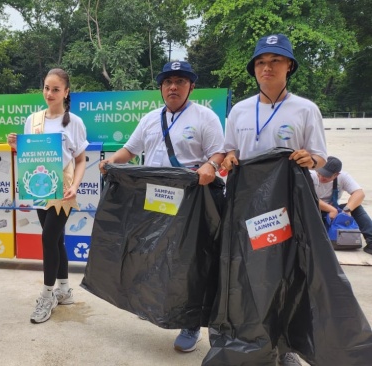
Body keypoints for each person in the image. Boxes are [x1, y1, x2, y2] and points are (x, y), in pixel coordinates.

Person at [99, 61, 225, 353]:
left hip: (191, 204)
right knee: (155, 257)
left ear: (191, 86)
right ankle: (158, 307)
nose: (173, 87)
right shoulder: (150, 119)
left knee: (187, 263)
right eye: (168, 82)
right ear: (160, 87)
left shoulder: (205, 117)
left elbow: (219, 152)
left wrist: (210, 165)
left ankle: (190, 323)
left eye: (180, 81)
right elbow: (130, 150)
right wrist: (111, 162)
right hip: (155, 203)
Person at [220, 34, 328, 366]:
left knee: (288, 275)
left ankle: (286, 348)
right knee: (251, 277)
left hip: (288, 209)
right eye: (261, 62)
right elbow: (228, 153)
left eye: (275, 61)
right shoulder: (239, 110)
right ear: (254, 69)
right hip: (248, 209)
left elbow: (321, 158)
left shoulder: (305, 109)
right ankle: (255, 341)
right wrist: (229, 160)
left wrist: (309, 159)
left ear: (289, 66)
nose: (267, 67)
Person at [7, 68, 89, 324]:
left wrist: (75, 186)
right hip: (39, 189)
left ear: (66, 92)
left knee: (48, 238)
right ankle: (64, 289)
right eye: (46, 88)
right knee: (56, 240)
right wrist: (16, 146)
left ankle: (47, 295)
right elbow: (30, 156)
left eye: (55, 89)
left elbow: (81, 160)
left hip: (62, 190)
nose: (49, 93)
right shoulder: (33, 120)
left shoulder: (74, 122)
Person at [311, 156, 372, 253]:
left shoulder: (343, 177)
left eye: (327, 176)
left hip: (333, 213)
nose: (322, 177)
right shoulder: (311, 175)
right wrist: (331, 209)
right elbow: (307, 197)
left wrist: (347, 210)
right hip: (313, 209)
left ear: (336, 175)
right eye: (320, 173)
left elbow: (359, 194)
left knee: (357, 208)